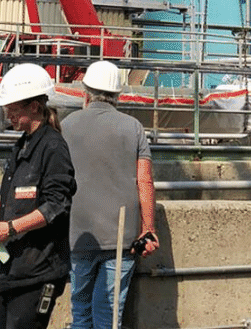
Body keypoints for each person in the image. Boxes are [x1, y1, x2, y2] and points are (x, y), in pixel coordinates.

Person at [0, 63, 76, 329]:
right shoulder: (22, 144)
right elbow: (22, 196)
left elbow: (56, 205)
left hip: (37, 272)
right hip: (11, 266)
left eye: (13, 109)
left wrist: (8, 228)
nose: (8, 115)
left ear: (34, 107)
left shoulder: (53, 147)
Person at [61, 60, 159, 329]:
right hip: (121, 238)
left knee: (81, 313)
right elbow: (144, 180)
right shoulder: (133, 127)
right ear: (118, 95)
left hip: (78, 235)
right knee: (109, 317)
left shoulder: (67, 125)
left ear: (85, 93)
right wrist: (148, 229)